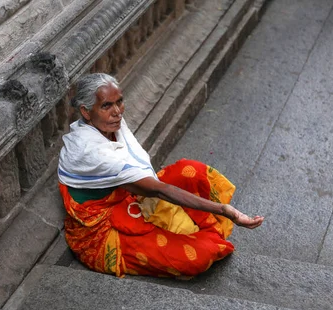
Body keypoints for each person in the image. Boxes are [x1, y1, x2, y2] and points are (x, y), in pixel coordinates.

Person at [58, 73, 264, 278]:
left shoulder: (109, 124)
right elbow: (159, 190)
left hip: (129, 194)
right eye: (106, 106)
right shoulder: (89, 151)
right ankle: (207, 232)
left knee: (192, 172)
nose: (117, 112)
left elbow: (146, 179)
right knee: (196, 257)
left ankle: (205, 231)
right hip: (104, 230)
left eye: (119, 102)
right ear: (86, 112)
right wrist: (225, 210)